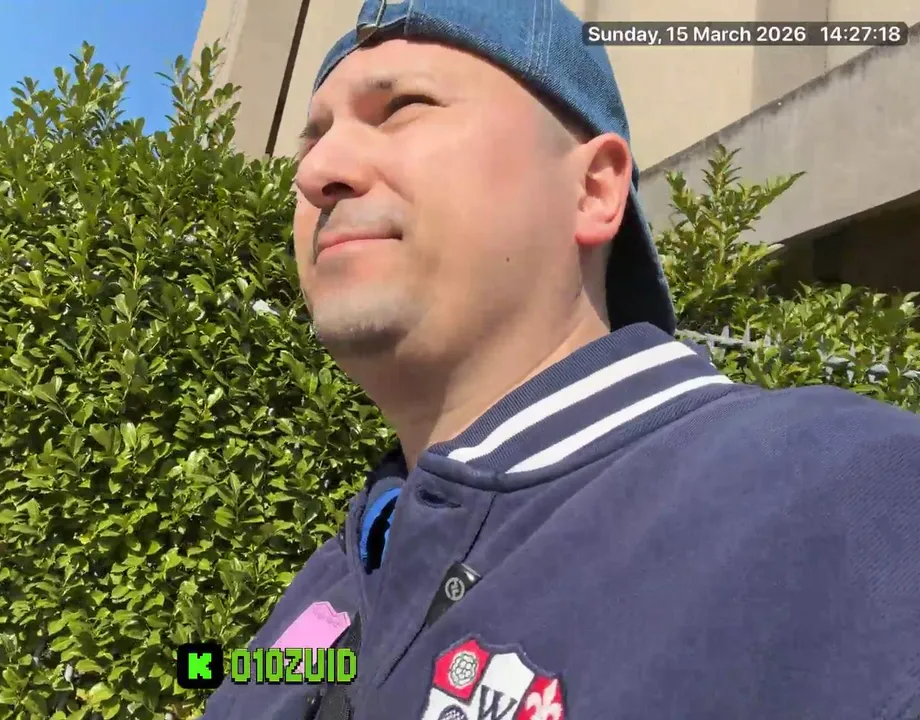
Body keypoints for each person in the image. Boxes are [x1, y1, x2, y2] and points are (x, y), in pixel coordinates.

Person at [200, 1, 920, 718]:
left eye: (402, 108)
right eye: (315, 137)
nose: (317, 171)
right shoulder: (349, 566)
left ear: (594, 188)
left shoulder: (852, 495)